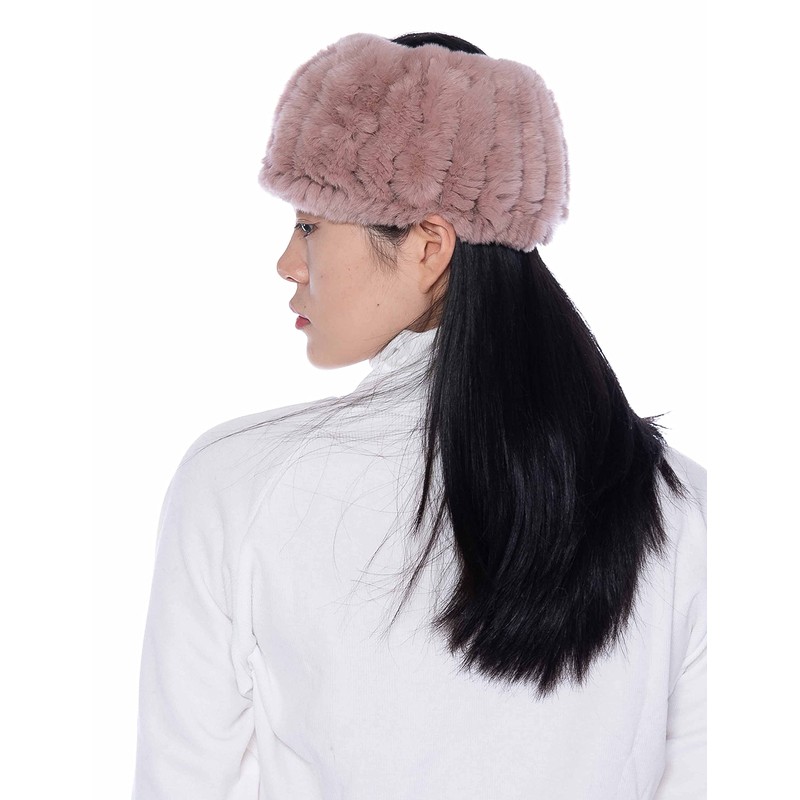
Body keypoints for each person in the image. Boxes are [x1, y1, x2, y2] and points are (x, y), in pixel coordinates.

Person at [132, 32, 706, 800]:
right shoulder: (681, 503)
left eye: (310, 225)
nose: (287, 263)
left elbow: (181, 783)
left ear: (429, 245)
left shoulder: (237, 485)